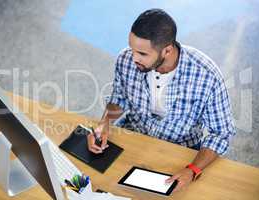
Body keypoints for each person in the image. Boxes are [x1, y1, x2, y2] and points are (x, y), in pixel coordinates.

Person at [87, 8, 236, 193]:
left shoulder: (207, 76)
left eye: (142, 54)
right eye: (132, 49)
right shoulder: (126, 59)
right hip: (133, 139)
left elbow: (221, 133)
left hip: (180, 151)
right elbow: (120, 97)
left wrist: (193, 170)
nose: (133, 58)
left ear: (167, 50)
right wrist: (105, 123)